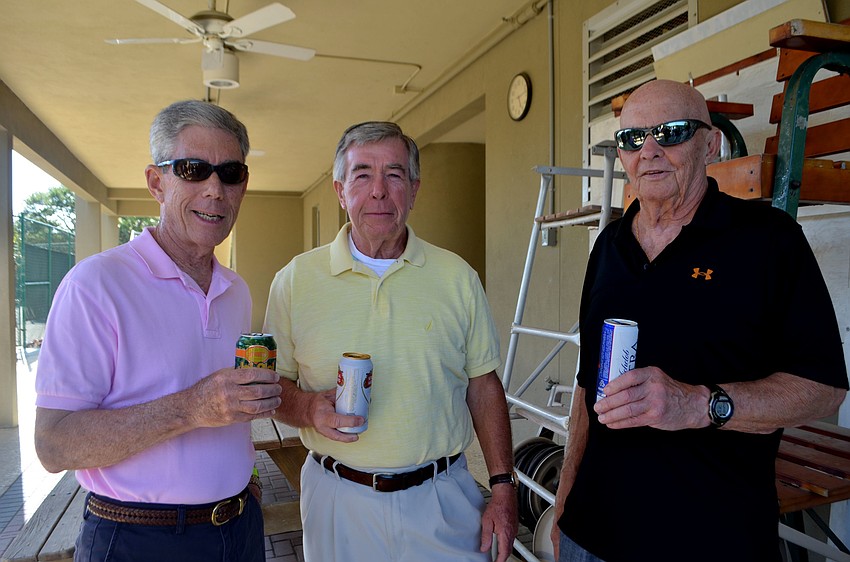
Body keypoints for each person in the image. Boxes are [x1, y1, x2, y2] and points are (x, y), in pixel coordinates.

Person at [550, 79, 849, 562]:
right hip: (592, 534)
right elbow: (589, 387)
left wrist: (698, 405)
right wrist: (564, 499)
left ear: (709, 144)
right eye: (632, 139)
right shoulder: (609, 246)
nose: (649, 151)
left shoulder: (768, 240)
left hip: (711, 540)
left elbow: (823, 389)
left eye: (669, 132)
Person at [34, 100, 282, 562]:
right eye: (193, 169)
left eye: (230, 173)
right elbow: (54, 444)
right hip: (137, 539)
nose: (214, 189)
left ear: (243, 186)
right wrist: (192, 407)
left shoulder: (237, 290)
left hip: (239, 528)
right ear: (156, 182)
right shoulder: (96, 284)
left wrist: (241, 480)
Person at [263, 121, 518, 561]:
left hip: (442, 501)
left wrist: (503, 485)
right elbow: (270, 386)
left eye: (394, 175)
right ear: (341, 191)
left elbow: (483, 385)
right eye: (362, 175)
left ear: (414, 190)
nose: (379, 191)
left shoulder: (457, 277)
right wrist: (305, 408)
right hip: (338, 501)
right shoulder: (294, 281)